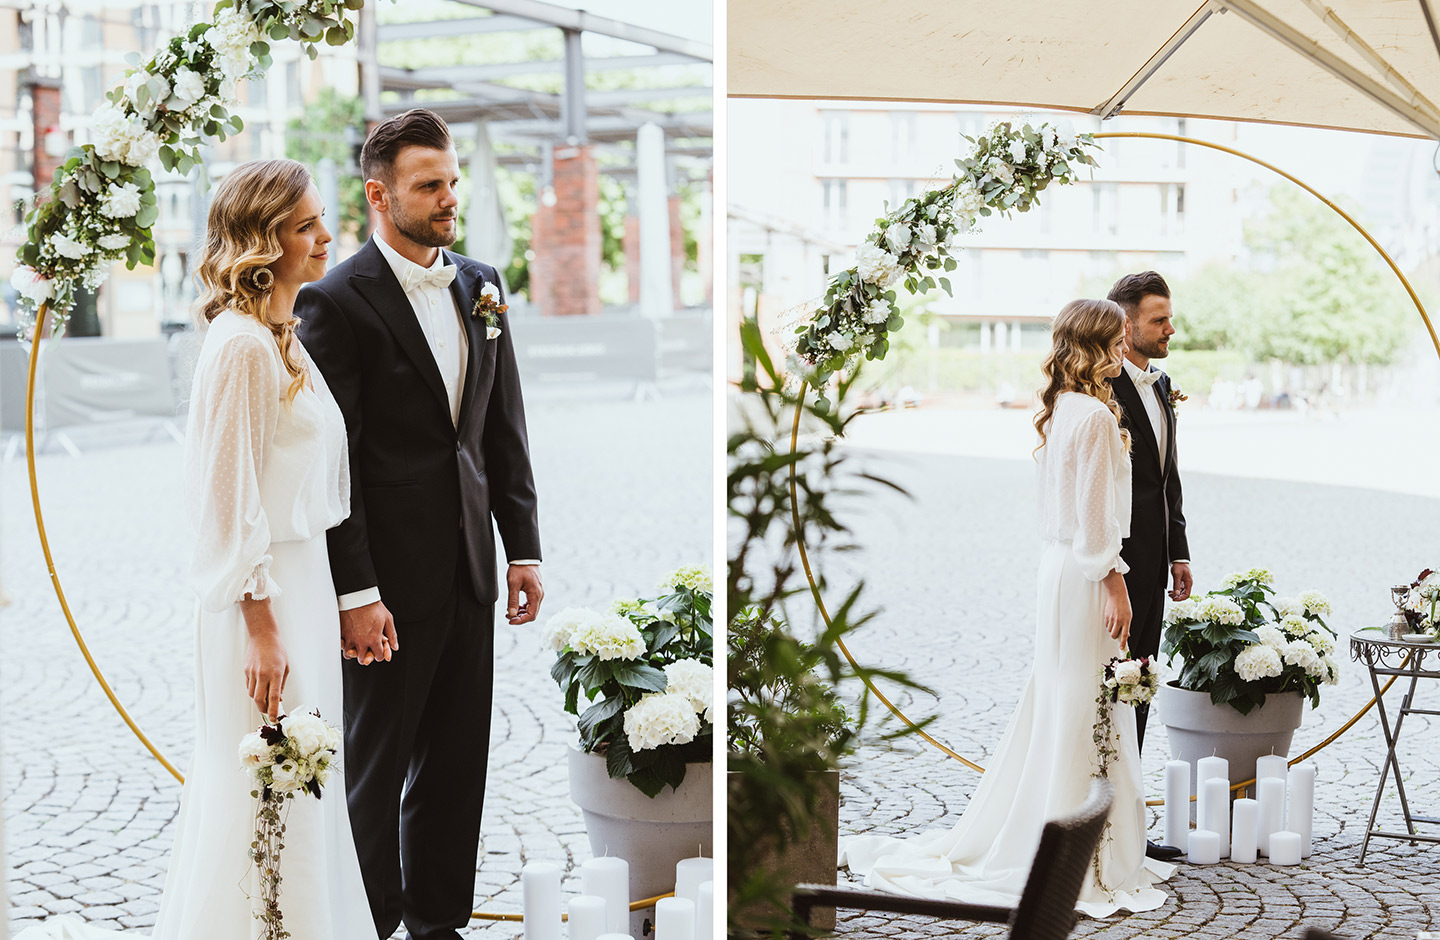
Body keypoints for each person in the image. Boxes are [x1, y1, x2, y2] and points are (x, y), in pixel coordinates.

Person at [296, 108, 544, 940]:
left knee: (456, 768)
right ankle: (365, 924)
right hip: (386, 588)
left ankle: (441, 925)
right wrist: (356, 589)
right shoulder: (331, 302)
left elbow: (500, 429)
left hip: (472, 570)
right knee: (376, 770)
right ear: (379, 194)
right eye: (428, 185)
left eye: (452, 183)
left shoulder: (483, 285)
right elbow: (338, 462)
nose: (448, 199)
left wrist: (523, 549)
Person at [842, 299, 1174, 917]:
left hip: (1057, 570)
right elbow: (1097, 521)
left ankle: (1054, 830)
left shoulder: (1061, 410)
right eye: (1120, 335)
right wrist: (1116, 585)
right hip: (1087, 572)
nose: (1128, 343)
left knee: (1061, 697)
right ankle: (1084, 854)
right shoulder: (1098, 418)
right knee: (1086, 703)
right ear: (1101, 345)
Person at [1105, 272, 1193, 861]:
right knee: (1107, 688)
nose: (1169, 329)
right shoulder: (1101, 388)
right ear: (1126, 322)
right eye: (1158, 319)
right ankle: (1097, 826)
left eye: (1169, 317)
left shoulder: (1163, 386)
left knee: (1141, 685)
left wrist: (1179, 550)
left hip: (1156, 561)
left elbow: (1168, 476)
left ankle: (1129, 827)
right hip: (1111, 564)